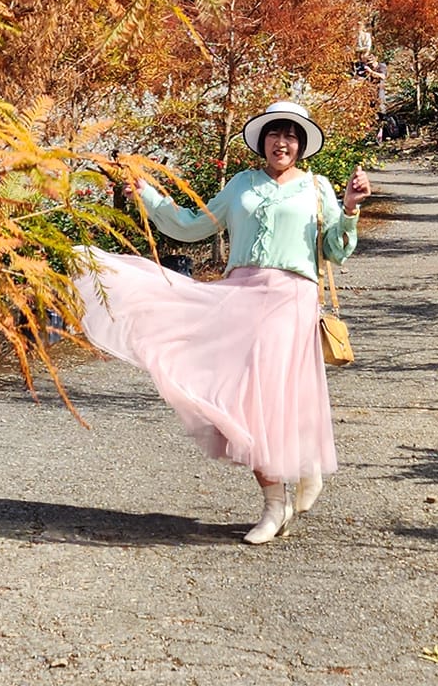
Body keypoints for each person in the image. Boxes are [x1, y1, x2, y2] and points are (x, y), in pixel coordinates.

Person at [74, 99, 371, 544]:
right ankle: (276, 500)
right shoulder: (241, 185)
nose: (282, 142)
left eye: (291, 135)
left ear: (302, 144)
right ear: (263, 142)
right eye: (275, 134)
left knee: (270, 398)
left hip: (292, 300)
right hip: (242, 297)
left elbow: (334, 249)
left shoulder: (317, 188)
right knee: (241, 401)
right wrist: (149, 195)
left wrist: (349, 208)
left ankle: (293, 480)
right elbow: (193, 226)